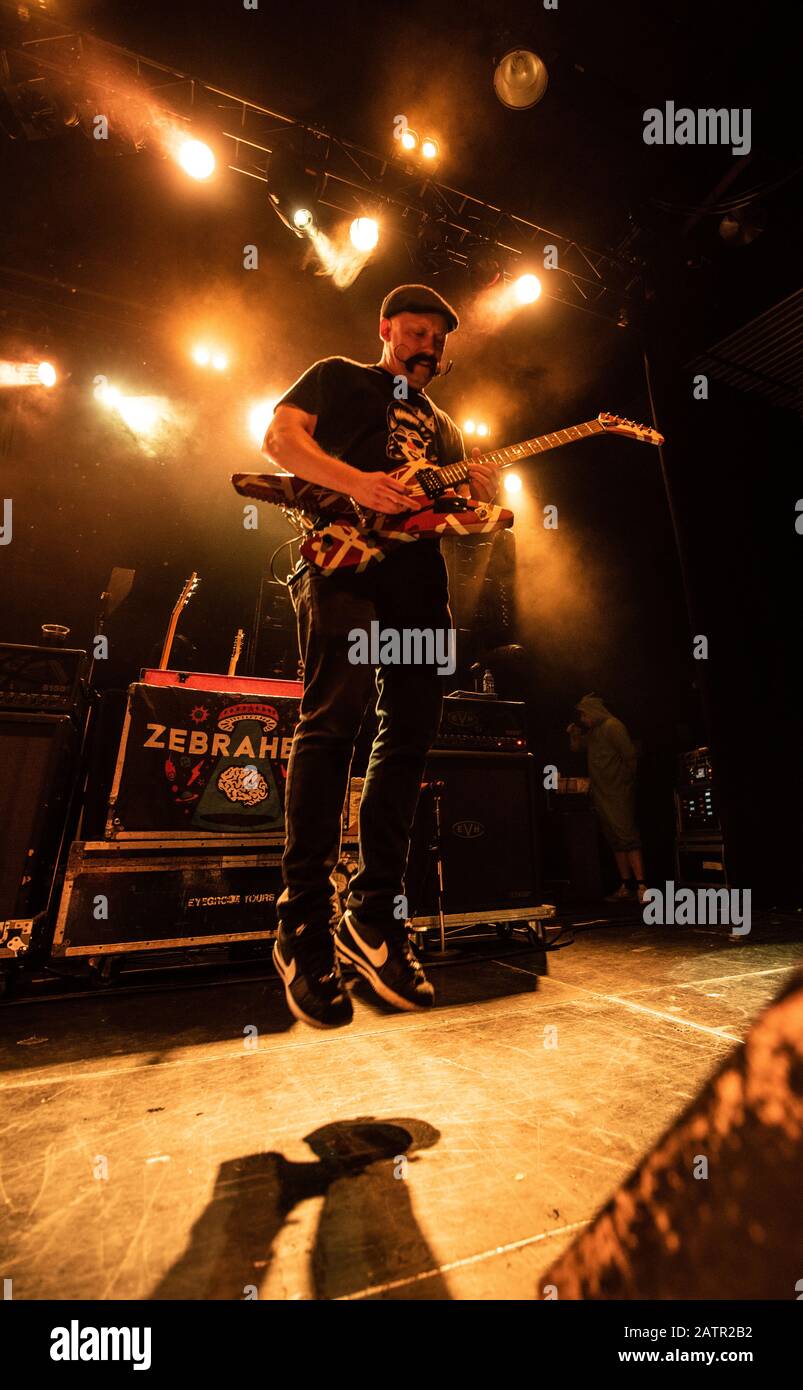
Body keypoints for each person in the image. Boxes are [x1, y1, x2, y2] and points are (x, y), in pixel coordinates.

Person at [262, 285, 499, 1028]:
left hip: (418, 585)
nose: (428, 344)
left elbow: (461, 527)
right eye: (416, 330)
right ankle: (301, 922)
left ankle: (372, 915)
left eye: (438, 337)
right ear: (387, 330)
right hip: (343, 563)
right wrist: (358, 482)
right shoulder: (339, 375)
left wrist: (477, 504)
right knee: (333, 722)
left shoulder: (447, 428)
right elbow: (279, 440)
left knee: (408, 740)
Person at [567, 693, 647, 903]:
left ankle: (642, 886)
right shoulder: (594, 732)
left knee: (627, 835)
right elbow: (576, 747)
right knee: (615, 839)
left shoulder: (613, 726)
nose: (582, 719)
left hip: (618, 791)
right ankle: (626, 885)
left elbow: (629, 755)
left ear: (594, 711)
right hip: (601, 793)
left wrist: (627, 783)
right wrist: (574, 734)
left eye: (584, 714)